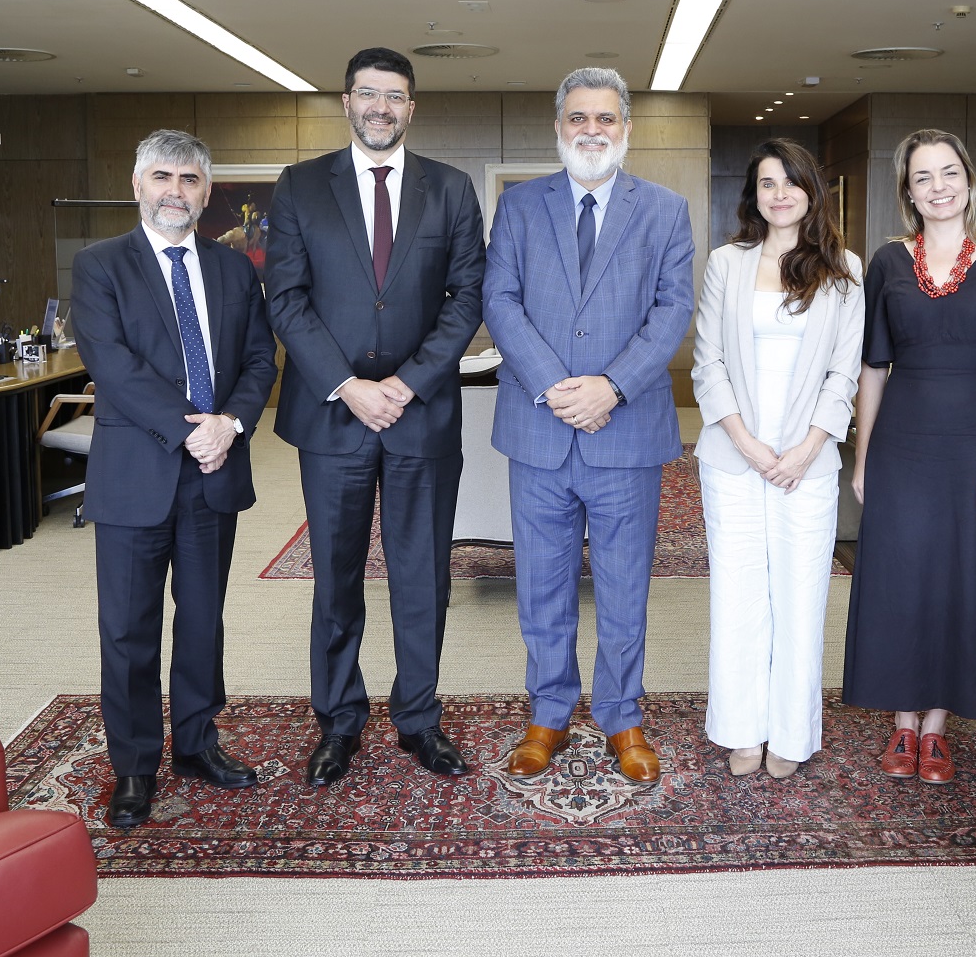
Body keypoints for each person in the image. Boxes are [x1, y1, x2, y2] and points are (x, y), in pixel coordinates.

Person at [264, 47, 485, 787]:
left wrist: (407, 383)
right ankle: (339, 720)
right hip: (333, 418)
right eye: (368, 93)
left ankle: (419, 719)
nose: (380, 107)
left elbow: (466, 300)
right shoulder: (298, 187)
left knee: (423, 576)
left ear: (411, 107)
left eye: (395, 96)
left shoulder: (450, 190)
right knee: (336, 576)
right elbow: (286, 300)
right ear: (347, 100)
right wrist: (349, 386)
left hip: (420, 416)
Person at [483, 67, 694, 784]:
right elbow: (500, 299)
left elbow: (672, 311)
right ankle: (548, 713)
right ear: (558, 127)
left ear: (626, 128)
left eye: (606, 118)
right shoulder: (519, 206)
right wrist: (554, 385)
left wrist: (611, 386)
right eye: (579, 118)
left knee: (624, 584)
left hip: (625, 431)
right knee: (540, 584)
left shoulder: (665, 210)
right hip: (539, 431)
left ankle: (622, 717)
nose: (592, 131)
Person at [70, 128, 278, 830]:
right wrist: (193, 429)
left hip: (213, 472)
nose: (174, 192)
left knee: (201, 620)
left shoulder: (233, 269)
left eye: (189, 180)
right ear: (138, 186)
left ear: (207, 192)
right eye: (162, 177)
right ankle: (133, 765)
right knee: (128, 630)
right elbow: (113, 366)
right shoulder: (101, 265)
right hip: (137, 473)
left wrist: (231, 424)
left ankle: (195, 743)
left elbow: (259, 361)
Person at [843, 128, 976, 784]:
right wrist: (862, 458)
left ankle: (935, 730)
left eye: (948, 173)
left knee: (963, 579)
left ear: (970, 179)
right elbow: (873, 369)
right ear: (907, 191)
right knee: (904, 579)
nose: (938, 187)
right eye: (923, 177)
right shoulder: (886, 263)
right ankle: (902, 726)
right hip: (903, 441)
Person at [692, 139, 863, 780]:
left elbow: (844, 373)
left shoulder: (843, 269)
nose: (780, 194)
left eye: (791, 182)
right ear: (754, 196)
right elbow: (706, 364)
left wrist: (807, 447)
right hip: (734, 455)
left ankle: (791, 731)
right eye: (767, 183)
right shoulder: (726, 264)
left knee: (799, 597)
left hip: (807, 461)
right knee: (737, 596)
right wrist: (748, 443)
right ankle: (741, 729)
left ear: (812, 191)